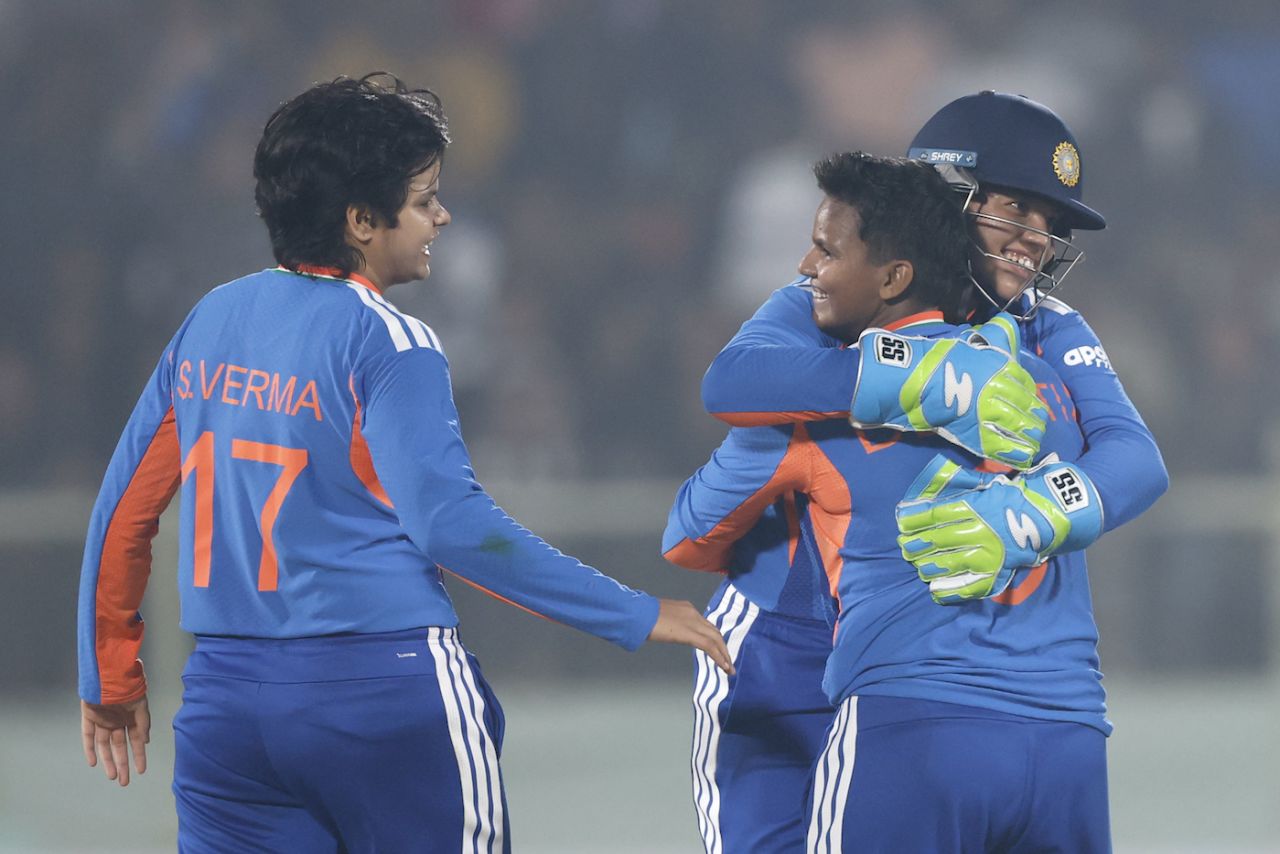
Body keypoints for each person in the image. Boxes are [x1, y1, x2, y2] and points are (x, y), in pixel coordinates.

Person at [76, 73, 732, 853]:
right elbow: (452, 527)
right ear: (361, 219)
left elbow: (124, 509)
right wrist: (634, 611)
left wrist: (110, 676)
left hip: (228, 708)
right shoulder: (388, 341)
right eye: (425, 199)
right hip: (383, 695)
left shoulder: (211, 319)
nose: (441, 216)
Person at [668, 92, 1167, 851]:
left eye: (1051, 224)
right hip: (787, 645)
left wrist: (1030, 514)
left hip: (912, 667)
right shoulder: (842, 292)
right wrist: (919, 380)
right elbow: (732, 381)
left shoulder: (1047, 322)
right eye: (1018, 211)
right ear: (949, 193)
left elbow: (1135, 459)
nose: (1038, 241)